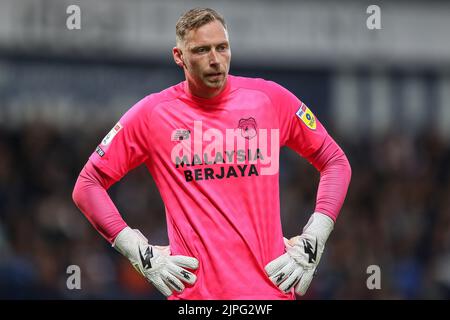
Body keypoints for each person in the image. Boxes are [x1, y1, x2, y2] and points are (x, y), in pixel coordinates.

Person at [72, 7, 351, 300]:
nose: (216, 60)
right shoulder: (153, 114)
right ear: (179, 57)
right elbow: (87, 185)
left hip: (269, 295)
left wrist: (316, 236)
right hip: (194, 301)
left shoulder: (269, 100)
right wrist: (137, 250)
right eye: (202, 50)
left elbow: (335, 161)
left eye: (222, 48)